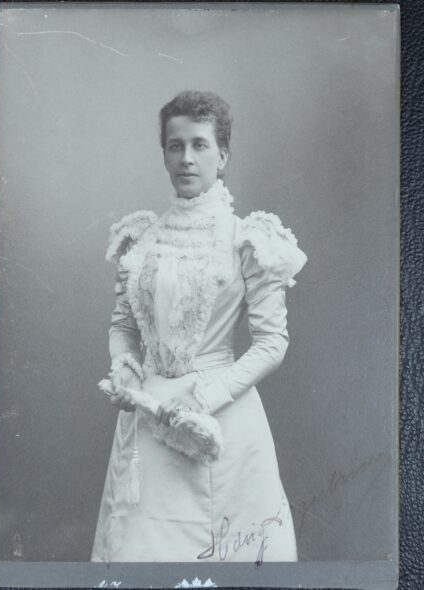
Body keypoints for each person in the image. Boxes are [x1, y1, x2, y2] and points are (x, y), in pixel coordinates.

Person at [91, 90, 307, 563]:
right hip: (149, 420)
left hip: (220, 417)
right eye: (176, 146)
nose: (186, 158)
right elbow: (123, 325)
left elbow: (272, 342)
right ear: (164, 154)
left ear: (222, 155)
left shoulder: (247, 238)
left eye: (200, 145)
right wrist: (125, 367)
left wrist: (205, 399)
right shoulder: (142, 238)